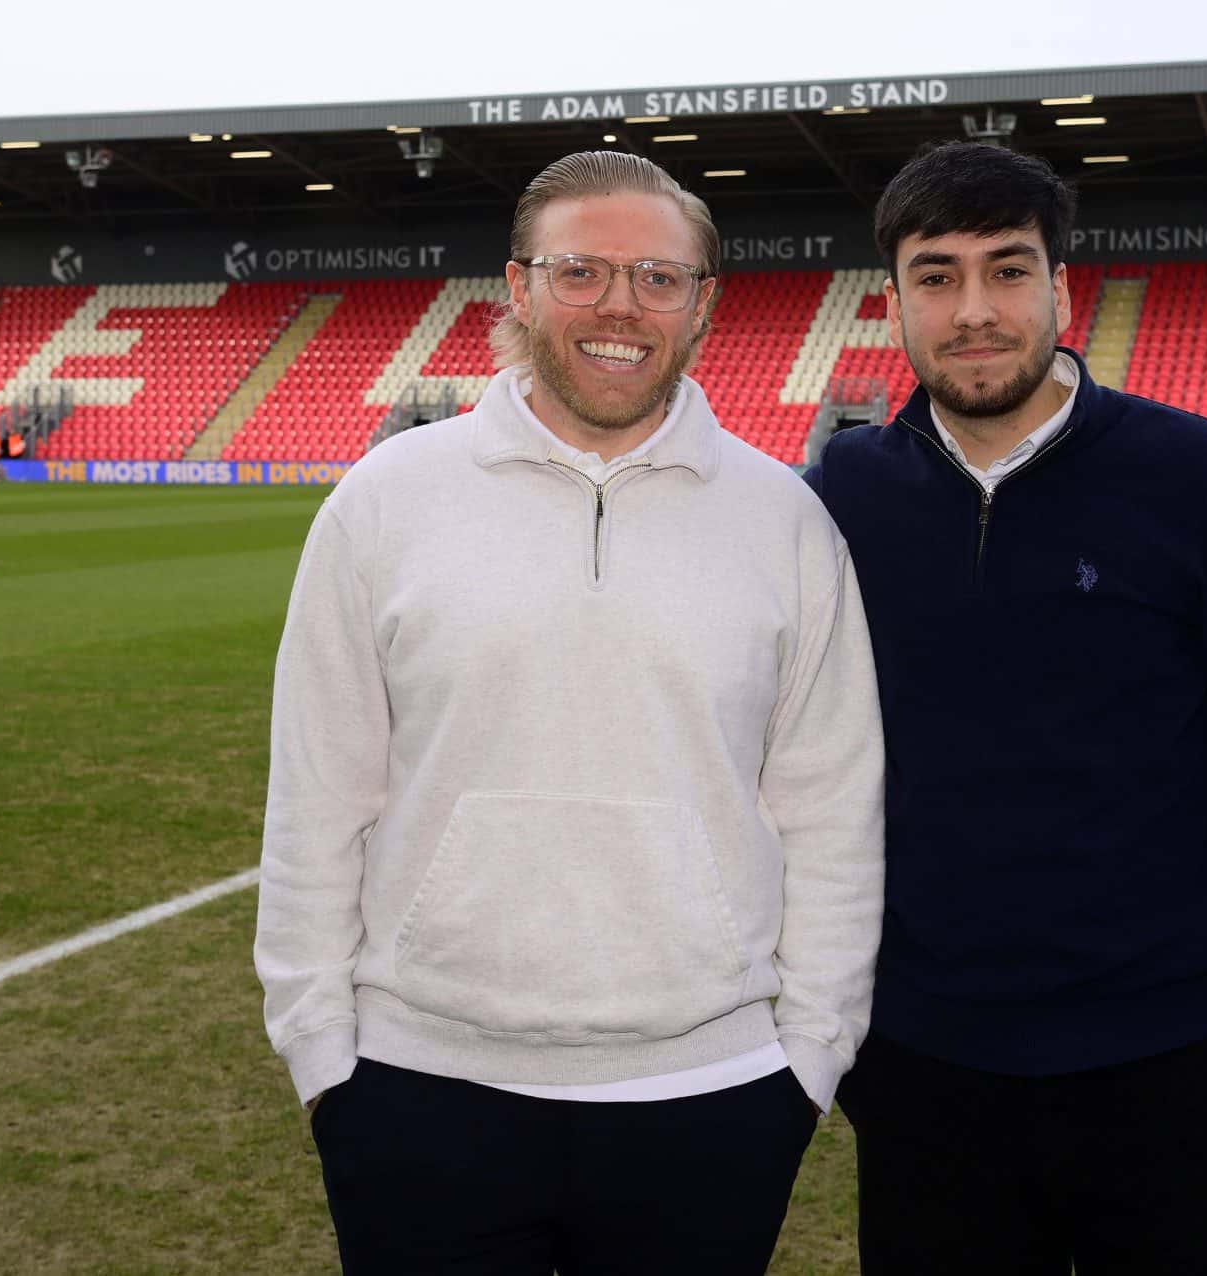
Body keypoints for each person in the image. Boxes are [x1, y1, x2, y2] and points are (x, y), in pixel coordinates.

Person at [255, 149, 885, 1276]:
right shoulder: (386, 499)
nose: (618, 306)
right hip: (418, 1090)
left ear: (702, 304)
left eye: (656, 277)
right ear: (518, 286)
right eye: (580, 270)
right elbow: (319, 791)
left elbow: (831, 806)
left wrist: (807, 1062)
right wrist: (322, 1058)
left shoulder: (785, 521)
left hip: (714, 1095)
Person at [806, 141, 1207, 1274]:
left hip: (1177, 1070)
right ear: (893, 300)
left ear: (1062, 284)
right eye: (937, 275)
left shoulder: (1195, 474)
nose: (973, 310)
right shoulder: (839, 494)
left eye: (1007, 270)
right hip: (925, 1074)